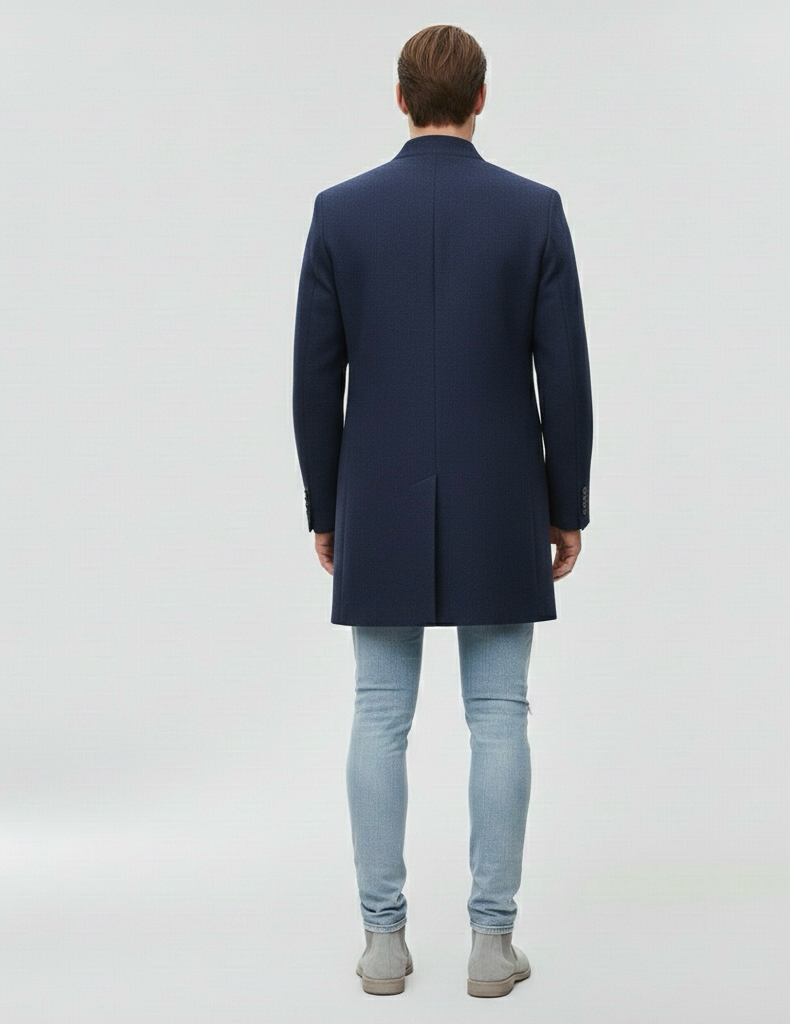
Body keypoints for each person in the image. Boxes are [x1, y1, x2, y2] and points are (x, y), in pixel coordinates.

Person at [292, 24, 593, 998]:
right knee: (499, 715)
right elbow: (565, 378)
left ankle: (382, 943)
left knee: (379, 713)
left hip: (376, 496)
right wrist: (567, 503)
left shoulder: (340, 213)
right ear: (481, 98)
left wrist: (325, 504)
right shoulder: (533, 211)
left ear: (399, 98)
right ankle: (492, 944)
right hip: (503, 497)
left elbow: (314, 380)